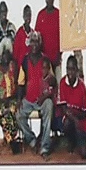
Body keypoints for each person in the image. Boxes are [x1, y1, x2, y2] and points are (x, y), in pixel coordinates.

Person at [16, 31, 54, 160]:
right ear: (29, 43)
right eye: (32, 41)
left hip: (42, 99)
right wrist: (19, 99)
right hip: (29, 99)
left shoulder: (45, 59)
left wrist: (46, 96)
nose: (34, 44)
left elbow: (52, 82)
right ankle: (32, 140)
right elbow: (20, 82)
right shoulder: (25, 60)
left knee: (49, 106)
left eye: (37, 41)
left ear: (40, 43)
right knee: (18, 115)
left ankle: (44, 147)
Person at [58, 55, 86, 160]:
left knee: (85, 155)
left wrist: (77, 121)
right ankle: (71, 140)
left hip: (81, 121)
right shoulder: (63, 83)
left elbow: (85, 112)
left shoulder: (82, 86)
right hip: (71, 120)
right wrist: (74, 119)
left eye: (72, 69)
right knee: (67, 123)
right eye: (68, 69)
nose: (70, 73)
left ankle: (83, 141)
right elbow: (63, 108)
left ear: (77, 70)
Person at [0, 38, 20, 154]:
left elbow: (18, 86)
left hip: (12, 100)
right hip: (1, 101)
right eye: (3, 54)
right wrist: (3, 100)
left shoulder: (14, 67)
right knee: (3, 114)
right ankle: (12, 141)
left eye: (8, 54)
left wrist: (11, 99)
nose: (5, 57)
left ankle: (11, 138)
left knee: (13, 111)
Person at [35, 0, 61, 81]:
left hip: (57, 60)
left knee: (57, 86)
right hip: (44, 63)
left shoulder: (58, 14)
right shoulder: (41, 15)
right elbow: (37, 38)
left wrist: (60, 53)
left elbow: (63, 36)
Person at [13, 5, 32, 77]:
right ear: (23, 16)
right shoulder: (20, 33)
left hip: (30, 70)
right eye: (26, 15)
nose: (28, 18)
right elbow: (15, 54)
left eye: (29, 15)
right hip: (21, 70)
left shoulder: (33, 33)